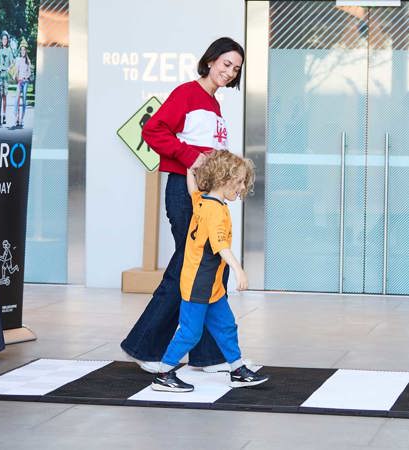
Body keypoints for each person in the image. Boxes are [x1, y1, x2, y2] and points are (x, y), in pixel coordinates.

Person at [120, 37, 246, 374]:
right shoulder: (186, 94)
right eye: (226, 64)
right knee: (187, 271)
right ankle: (144, 345)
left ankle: (208, 356)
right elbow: (153, 131)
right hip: (185, 193)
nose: (230, 72)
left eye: (235, 68)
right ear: (210, 60)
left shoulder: (213, 103)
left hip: (205, 198)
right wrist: (193, 158)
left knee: (202, 270)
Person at [152, 150, 268, 392]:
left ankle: (237, 370)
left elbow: (192, 188)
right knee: (191, 333)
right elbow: (220, 247)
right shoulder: (214, 211)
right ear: (222, 180)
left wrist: (189, 166)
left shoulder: (204, 200)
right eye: (238, 181)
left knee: (225, 325)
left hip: (211, 284)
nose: (242, 186)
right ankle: (163, 374)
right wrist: (239, 270)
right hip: (197, 283)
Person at [14, 39, 32, 127]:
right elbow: (16, 71)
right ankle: (16, 117)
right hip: (19, 81)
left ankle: (21, 119)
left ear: (26, 51)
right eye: (21, 50)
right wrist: (16, 77)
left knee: (24, 100)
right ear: (20, 51)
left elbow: (29, 72)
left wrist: (26, 77)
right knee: (16, 99)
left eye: (24, 50)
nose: (23, 51)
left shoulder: (28, 61)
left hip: (25, 82)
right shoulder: (18, 60)